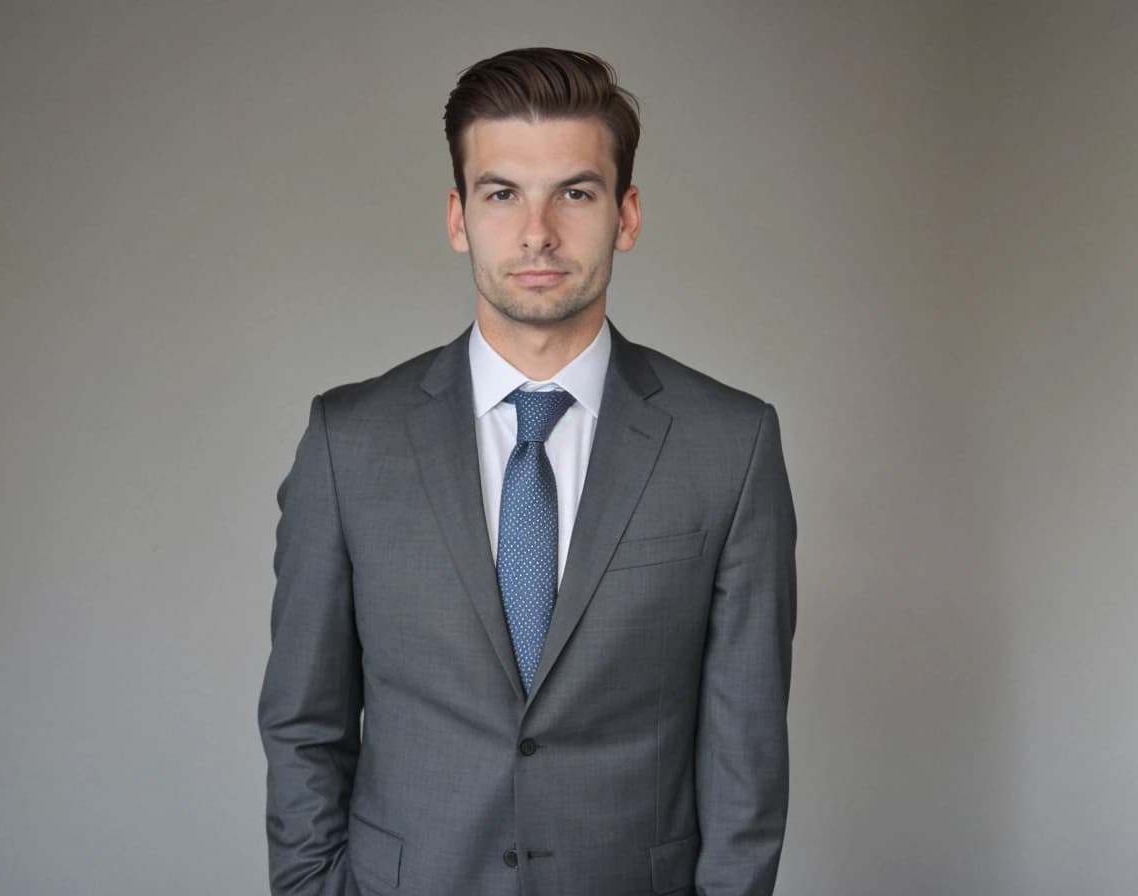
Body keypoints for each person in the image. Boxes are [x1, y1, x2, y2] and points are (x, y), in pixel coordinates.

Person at [258, 47, 797, 896]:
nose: (537, 232)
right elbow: (304, 724)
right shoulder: (348, 442)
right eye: (501, 193)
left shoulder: (729, 444)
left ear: (626, 215)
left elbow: (747, 751)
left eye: (574, 193)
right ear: (457, 216)